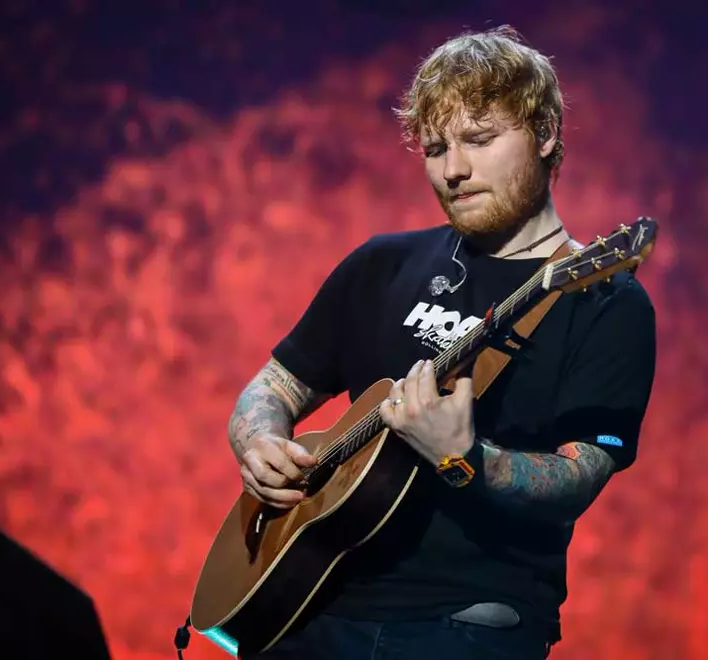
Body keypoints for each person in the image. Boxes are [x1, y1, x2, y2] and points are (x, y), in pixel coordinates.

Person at [229, 25, 656, 660]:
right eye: (435, 149)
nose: (454, 169)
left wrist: (465, 458)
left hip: (466, 626)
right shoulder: (381, 264)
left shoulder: (604, 299)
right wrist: (258, 440)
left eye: (480, 141)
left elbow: (581, 473)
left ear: (544, 135)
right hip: (308, 607)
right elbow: (274, 385)